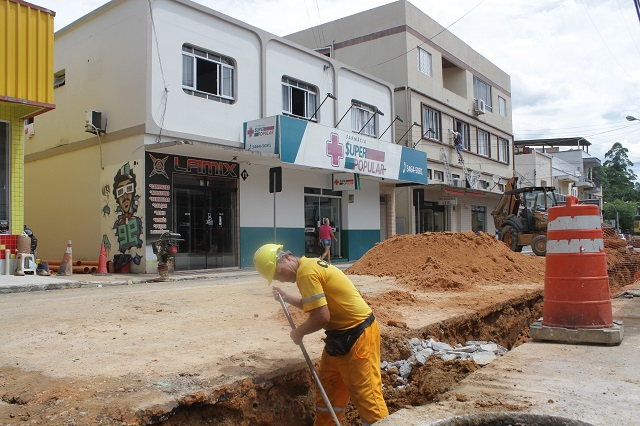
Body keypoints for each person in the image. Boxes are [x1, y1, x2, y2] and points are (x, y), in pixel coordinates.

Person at [253, 244, 389, 426]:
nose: (281, 279)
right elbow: (316, 306)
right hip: (338, 337)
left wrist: (298, 333)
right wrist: (287, 298)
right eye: (276, 277)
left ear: (285, 258)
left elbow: (321, 317)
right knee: (328, 392)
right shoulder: (308, 267)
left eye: (278, 273)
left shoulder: (306, 273)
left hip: (358, 334)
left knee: (368, 396)